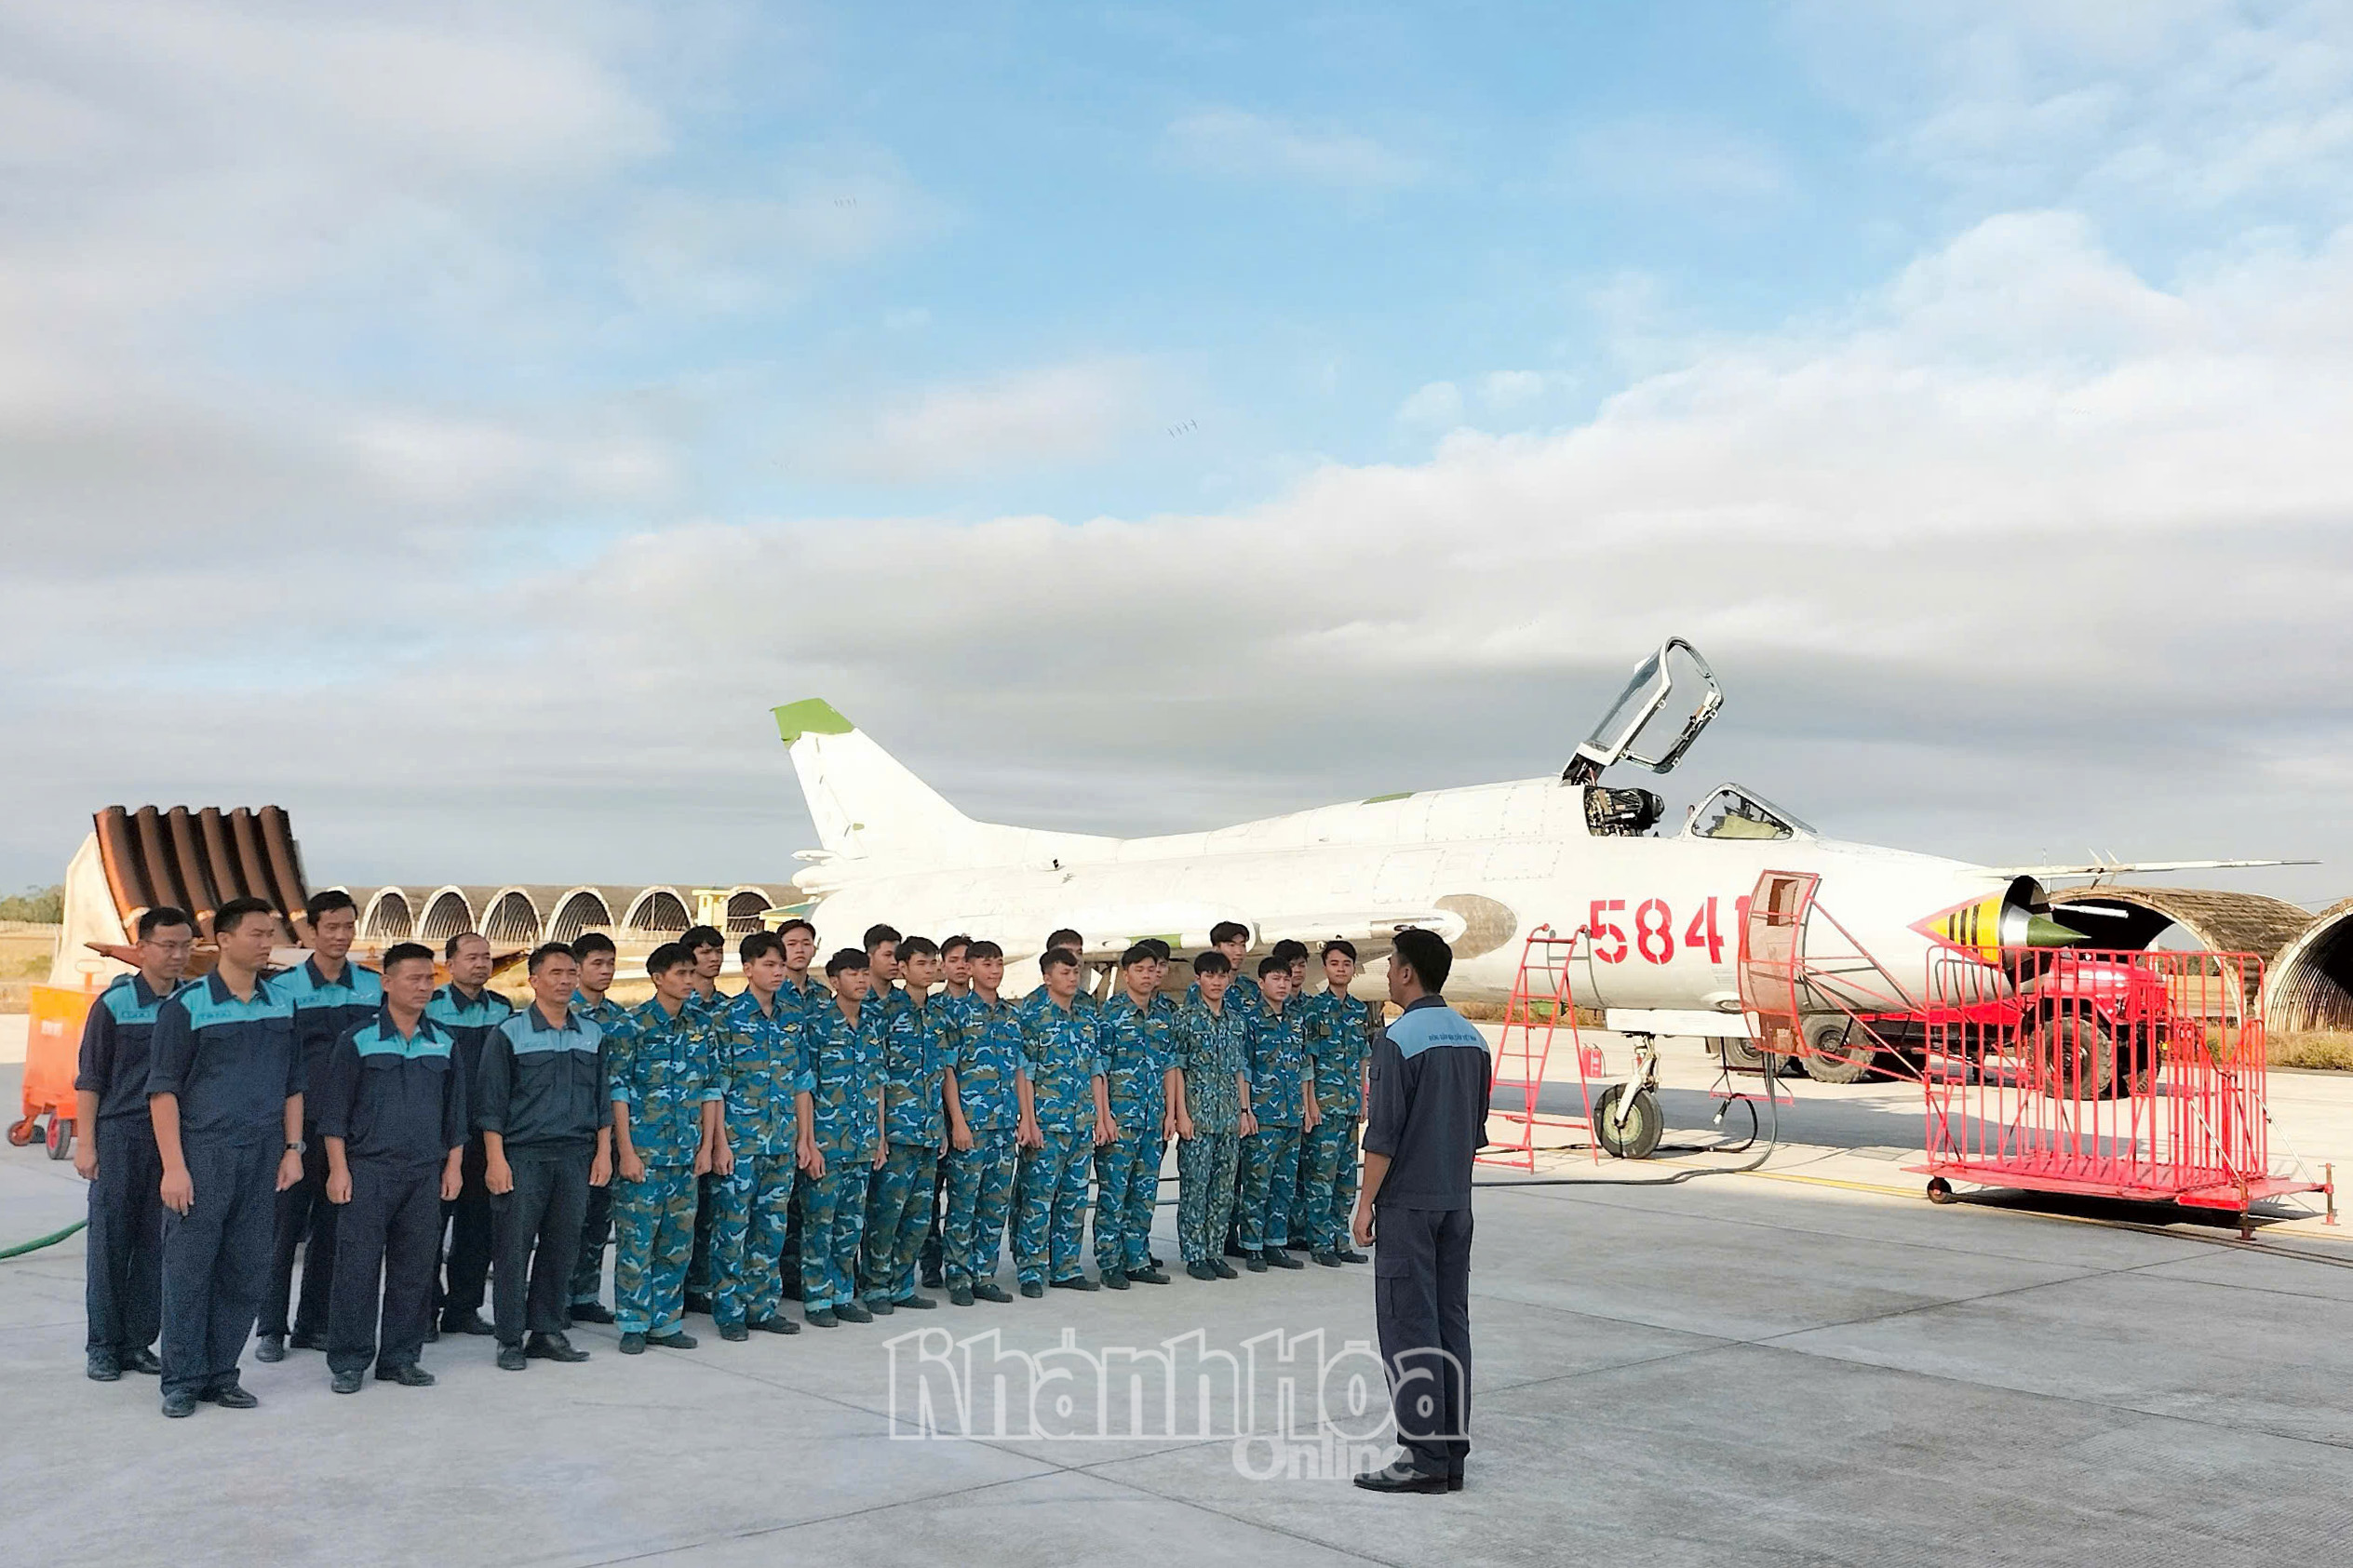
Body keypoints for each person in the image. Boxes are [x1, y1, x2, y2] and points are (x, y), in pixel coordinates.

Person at [145, 896, 304, 1417]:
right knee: (190, 1268)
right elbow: (163, 1091)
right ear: (225, 939)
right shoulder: (186, 1007)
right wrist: (174, 1166)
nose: (266, 944)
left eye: (270, 935)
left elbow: (293, 1086)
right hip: (204, 1154)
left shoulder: (282, 1003)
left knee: (246, 1267)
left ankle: (221, 1373)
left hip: (262, 1156)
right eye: (256, 934)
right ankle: (182, 1379)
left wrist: (292, 1149)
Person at [1352, 928, 1489, 1495]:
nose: (1386, 974)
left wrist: (1365, 1207)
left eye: (1390, 966)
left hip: (1408, 1206)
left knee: (1410, 1328)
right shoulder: (1473, 1038)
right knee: (1450, 1324)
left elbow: (1382, 1137)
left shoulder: (1400, 1038)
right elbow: (1474, 1130)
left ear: (1408, 972)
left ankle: (1422, 1458)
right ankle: (1450, 1455)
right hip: (1456, 1203)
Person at [317, 943, 465, 1393]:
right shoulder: (357, 1040)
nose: (423, 987)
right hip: (368, 1171)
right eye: (413, 978)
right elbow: (334, 1114)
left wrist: (453, 1167)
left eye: (429, 979)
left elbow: (456, 1114)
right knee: (357, 1268)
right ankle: (349, 1360)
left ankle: (400, 1357)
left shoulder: (443, 1041)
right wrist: (338, 1170)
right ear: (387, 983)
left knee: (416, 1268)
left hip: (423, 1173)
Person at [257, 889, 383, 1364]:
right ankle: (271, 1327)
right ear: (311, 931)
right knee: (281, 1232)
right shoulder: (284, 990)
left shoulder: (372, 987)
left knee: (335, 1230)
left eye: (348, 926)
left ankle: (314, 1325)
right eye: (331, 927)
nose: (341, 936)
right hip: (298, 1132)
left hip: (351, 1133)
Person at [477, 943, 612, 1371]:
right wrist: (495, 1161)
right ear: (533, 980)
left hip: (575, 1156)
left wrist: (603, 1152)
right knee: (513, 1250)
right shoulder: (510, 1033)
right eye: (555, 973)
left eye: (571, 973)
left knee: (562, 1247)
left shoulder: (592, 1033)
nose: (565, 981)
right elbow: (491, 1105)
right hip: (523, 1156)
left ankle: (547, 1331)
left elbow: (603, 1098)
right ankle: (510, 1338)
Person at [74, 905, 193, 1382]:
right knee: (109, 1244)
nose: (178, 955)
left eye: (185, 945)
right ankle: (102, 1345)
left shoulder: (192, 1003)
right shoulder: (114, 1004)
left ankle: (138, 1341)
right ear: (141, 949)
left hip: (172, 1143)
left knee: (155, 1244)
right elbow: (90, 1078)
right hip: (120, 1135)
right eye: (168, 946)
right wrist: (87, 1144)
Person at [609, 944, 721, 1354]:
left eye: (693, 973)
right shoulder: (632, 1026)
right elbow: (618, 1090)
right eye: (681, 974)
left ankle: (666, 1322)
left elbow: (711, 1088)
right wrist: (627, 1150)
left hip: (686, 1153)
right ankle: (634, 1323)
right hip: (645, 1152)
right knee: (637, 1242)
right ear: (658, 978)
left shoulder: (700, 1026)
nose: (690, 981)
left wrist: (707, 1146)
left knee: (677, 1242)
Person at [708, 931, 815, 1340]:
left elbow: (802, 1082)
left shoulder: (792, 1017)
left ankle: (762, 1305)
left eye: (781, 965)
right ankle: (729, 1311)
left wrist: (804, 1139)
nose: (777, 972)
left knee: (771, 1229)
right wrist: (718, 1143)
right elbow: (715, 1087)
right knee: (732, 1228)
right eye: (769, 965)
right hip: (739, 1142)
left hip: (781, 1141)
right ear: (748, 969)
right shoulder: (727, 1018)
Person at [427, 932, 514, 1338]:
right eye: (471, 957)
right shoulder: (432, 1006)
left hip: (486, 1132)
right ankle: (424, 1310)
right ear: (450, 963)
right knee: (428, 1226)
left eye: (486, 957)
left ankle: (463, 1308)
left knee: (477, 1226)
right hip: (439, 1130)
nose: (480, 964)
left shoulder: (502, 1008)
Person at [1011, 950, 1112, 1297]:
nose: (1073, 978)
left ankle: (1066, 1267)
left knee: (1074, 1200)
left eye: (1076, 972)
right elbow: (1025, 1073)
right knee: (1037, 1200)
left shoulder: (1085, 1020)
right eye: (1065, 972)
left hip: (1081, 1122)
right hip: (1047, 1125)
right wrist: (1029, 1120)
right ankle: (1031, 1269)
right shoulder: (1034, 1019)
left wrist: (1101, 1117)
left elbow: (1095, 1070)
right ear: (1047, 977)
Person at [939, 940, 1029, 1307]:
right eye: (986, 965)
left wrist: (1025, 1117)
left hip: (1005, 1124)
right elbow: (949, 1071)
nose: (994, 971)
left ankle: (984, 1273)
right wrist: (958, 1122)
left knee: (995, 1203)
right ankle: (958, 1275)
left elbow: (1021, 1069)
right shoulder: (956, 1014)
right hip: (972, 1125)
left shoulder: (1011, 1015)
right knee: (963, 1203)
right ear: (971, 969)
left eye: (998, 964)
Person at [861, 935, 948, 1312]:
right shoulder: (882, 1012)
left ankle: (901, 1283)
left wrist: (943, 1126)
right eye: (921, 964)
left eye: (933, 963)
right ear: (903, 968)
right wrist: (878, 1134)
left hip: (929, 1131)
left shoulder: (938, 1015)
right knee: (885, 1214)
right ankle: (876, 1285)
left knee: (918, 1215)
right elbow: (876, 1077)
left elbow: (942, 1075)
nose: (929, 970)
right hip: (896, 1130)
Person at [800, 948, 885, 1326]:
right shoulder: (817, 1025)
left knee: (850, 1225)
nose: (862, 981)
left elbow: (878, 1084)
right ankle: (818, 1299)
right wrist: (808, 1141)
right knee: (820, 1224)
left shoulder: (872, 1024)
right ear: (834, 981)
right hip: (827, 1142)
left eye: (865, 973)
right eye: (853, 974)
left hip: (862, 1141)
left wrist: (879, 1137)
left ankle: (842, 1293)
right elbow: (805, 1087)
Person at [1092, 945, 1177, 1289]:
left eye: (1151, 969)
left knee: (1144, 1193)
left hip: (1152, 1118)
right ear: (1126, 974)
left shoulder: (1162, 1015)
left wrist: (1171, 1113)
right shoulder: (1110, 1016)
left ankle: (1137, 1258)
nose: (1146, 975)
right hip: (1120, 1120)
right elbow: (1099, 1070)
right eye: (1139, 970)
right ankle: (1110, 1262)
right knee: (1114, 1195)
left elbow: (1171, 1066)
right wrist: (1104, 1117)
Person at [1173, 951, 1252, 1280]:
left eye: (1222, 976)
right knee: (1195, 1188)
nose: (1217, 982)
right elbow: (1176, 1068)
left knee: (1223, 1190)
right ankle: (1194, 1254)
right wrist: (1181, 1115)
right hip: (1198, 1118)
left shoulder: (1236, 1022)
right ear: (1198, 980)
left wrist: (1244, 1111)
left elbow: (1238, 1070)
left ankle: (1215, 1251)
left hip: (1228, 1118)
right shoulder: (1186, 1019)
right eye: (1210, 976)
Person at [1234, 957, 1316, 1271]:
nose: (1282, 984)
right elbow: (1245, 1068)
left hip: (1292, 1115)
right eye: (1275, 979)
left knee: (1284, 1186)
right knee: (1257, 1185)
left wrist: (1308, 1108)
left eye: (1286, 979)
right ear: (1261, 983)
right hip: (1263, 1116)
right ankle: (1252, 1245)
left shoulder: (1296, 1020)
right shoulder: (1251, 1020)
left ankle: (1275, 1244)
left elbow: (1304, 1067)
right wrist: (1246, 1110)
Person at [566, 931, 630, 1325]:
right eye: (597, 963)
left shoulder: (621, 1018)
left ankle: (586, 1295)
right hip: (572, 1129)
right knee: (565, 1221)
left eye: (610, 963)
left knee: (596, 1220)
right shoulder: (562, 1013)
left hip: (608, 1131)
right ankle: (555, 1296)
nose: (605, 971)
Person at [1298, 941, 1375, 1266]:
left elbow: (1362, 1058)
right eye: (1334, 963)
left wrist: (1363, 1097)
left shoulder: (1359, 1010)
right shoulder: (1314, 1009)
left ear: (1354, 969)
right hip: (1325, 1105)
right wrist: (1311, 1102)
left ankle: (1341, 1240)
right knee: (1320, 1178)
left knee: (1346, 1179)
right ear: (1325, 968)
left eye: (1346, 963)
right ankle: (1319, 1243)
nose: (1340, 968)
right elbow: (1309, 1060)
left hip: (1349, 1104)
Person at [919, 934, 976, 1290]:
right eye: (953, 959)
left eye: (966, 959)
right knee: (928, 1200)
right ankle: (930, 1263)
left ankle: (964, 1265)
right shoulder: (933, 1009)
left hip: (976, 1122)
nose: (960, 965)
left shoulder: (985, 1007)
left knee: (963, 1200)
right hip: (934, 1120)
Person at [679, 923, 729, 1315]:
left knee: (713, 1215)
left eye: (717, 951)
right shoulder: (676, 1006)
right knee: (678, 1221)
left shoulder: (730, 1009)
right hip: (676, 1129)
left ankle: (699, 1285)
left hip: (725, 1126)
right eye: (704, 951)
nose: (713, 958)